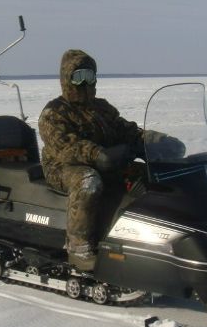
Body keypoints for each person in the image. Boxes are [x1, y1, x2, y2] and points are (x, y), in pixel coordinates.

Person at [38, 49, 144, 271]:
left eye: (89, 75)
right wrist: (96, 154)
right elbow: (65, 147)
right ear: (67, 78)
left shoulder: (101, 108)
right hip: (62, 167)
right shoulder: (54, 112)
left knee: (145, 173)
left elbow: (123, 129)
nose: (85, 82)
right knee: (88, 181)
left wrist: (149, 140)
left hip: (104, 161)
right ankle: (79, 248)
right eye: (79, 76)